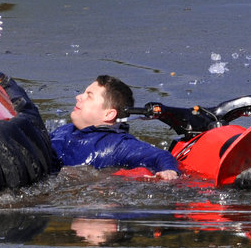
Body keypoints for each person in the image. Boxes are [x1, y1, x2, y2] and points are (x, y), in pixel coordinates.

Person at [50, 75, 180, 180]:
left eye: (89, 96)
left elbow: (160, 156)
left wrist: (169, 171)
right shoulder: (63, 131)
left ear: (108, 114)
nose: (78, 97)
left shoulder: (117, 145)